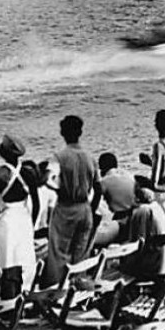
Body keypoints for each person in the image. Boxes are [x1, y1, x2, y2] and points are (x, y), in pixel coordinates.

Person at [0, 136, 39, 295]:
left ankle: (8, 295)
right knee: (24, 258)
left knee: (7, 259)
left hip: (6, 218)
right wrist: (32, 223)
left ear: (2, 152)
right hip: (23, 218)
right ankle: (24, 292)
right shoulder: (28, 172)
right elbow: (36, 203)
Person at [44, 114, 100, 286]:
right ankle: (78, 289)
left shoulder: (59, 156)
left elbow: (47, 178)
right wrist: (92, 208)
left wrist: (58, 188)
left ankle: (57, 290)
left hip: (66, 207)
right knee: (81, 253)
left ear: (63, 133)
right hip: (85, 208)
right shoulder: (90, 158)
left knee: (59, 252)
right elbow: (98, 188)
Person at [122, 186, 165, 280]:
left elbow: (138, 244)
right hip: (163, 262)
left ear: (136, 198)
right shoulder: (157, 207)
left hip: (152, 267)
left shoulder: (142, 210)